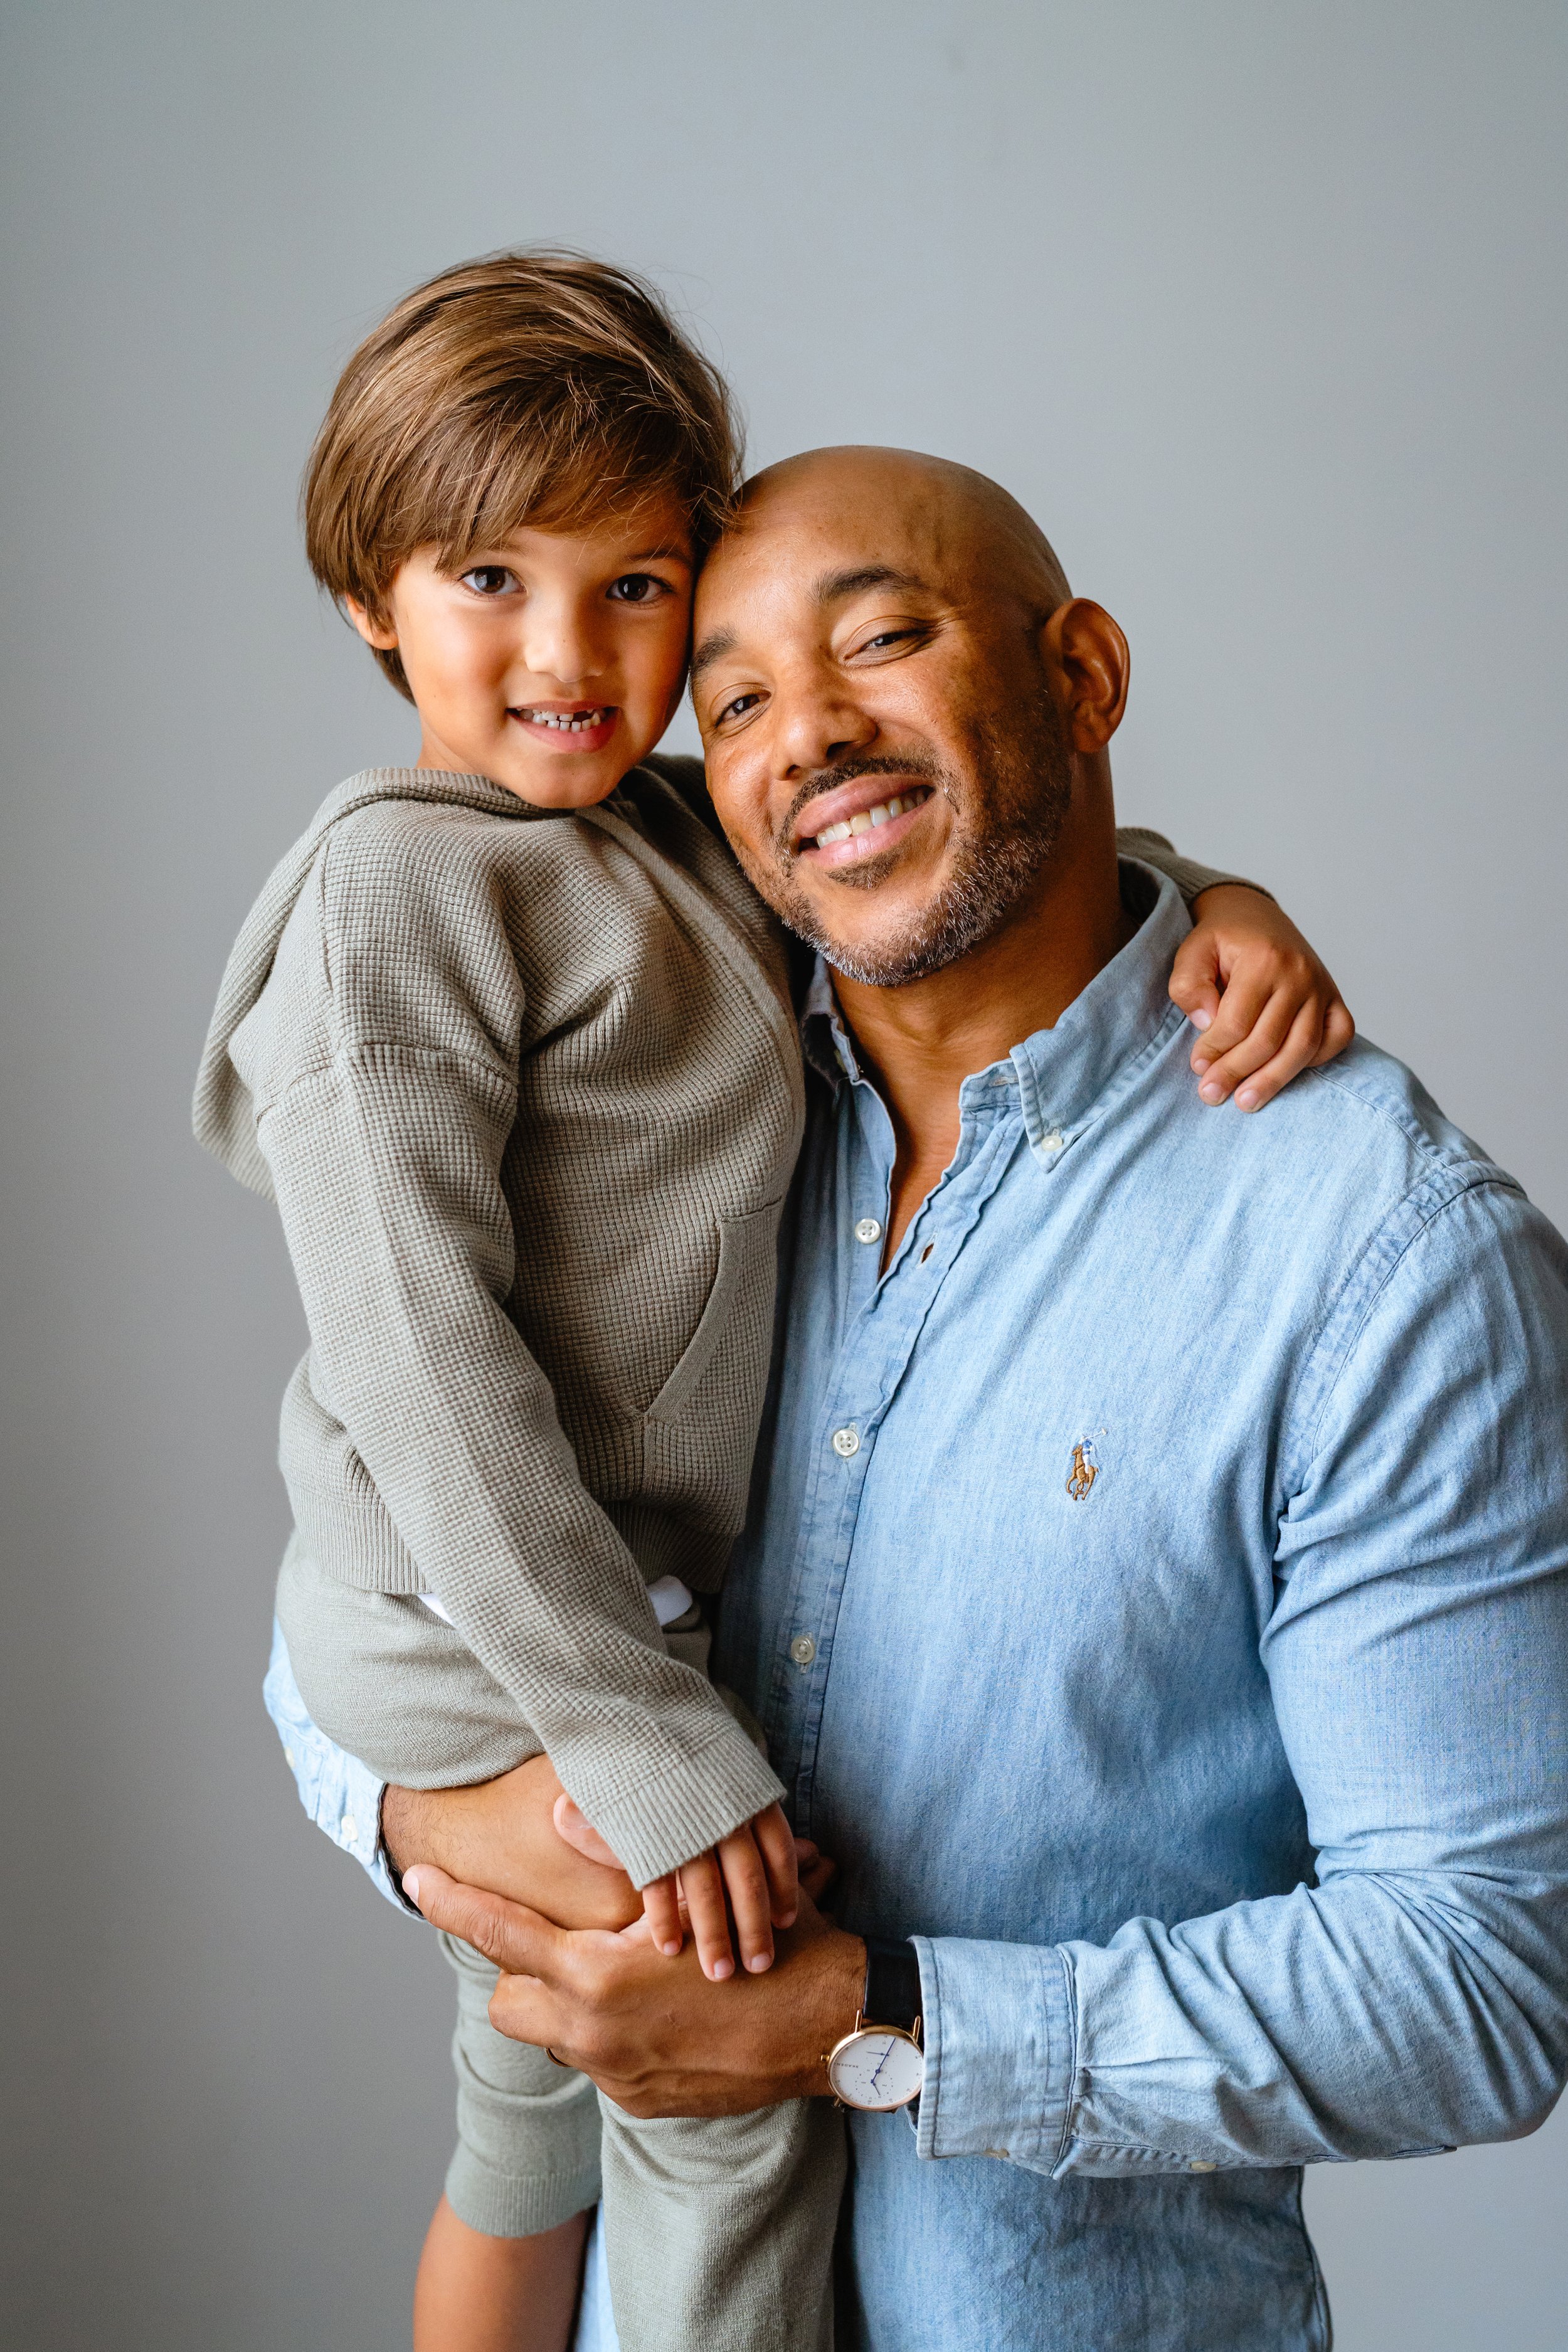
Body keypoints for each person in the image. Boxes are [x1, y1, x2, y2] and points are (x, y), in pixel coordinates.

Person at [196, 262, 1350, 2352]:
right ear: (373, 600)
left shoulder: (654, 829)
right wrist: (650, 1753)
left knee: (529, 2096)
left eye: (636, 588)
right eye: (484, 581)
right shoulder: (400, 894)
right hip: (468, 1612)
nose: (567, 658)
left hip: (575, 1599)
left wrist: (1204, 900)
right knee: (709, 2085)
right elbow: (417, 1367)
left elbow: (897, 846)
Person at [388, 447, 1568, 2352]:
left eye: (884, 641)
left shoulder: (1380, 1257)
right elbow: (354, 1584)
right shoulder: (635, 1113)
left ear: (1083, 676)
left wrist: (875, 2020)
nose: (812, 740)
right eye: (739, 698)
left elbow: (1481, 1984)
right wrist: (435, 1813)